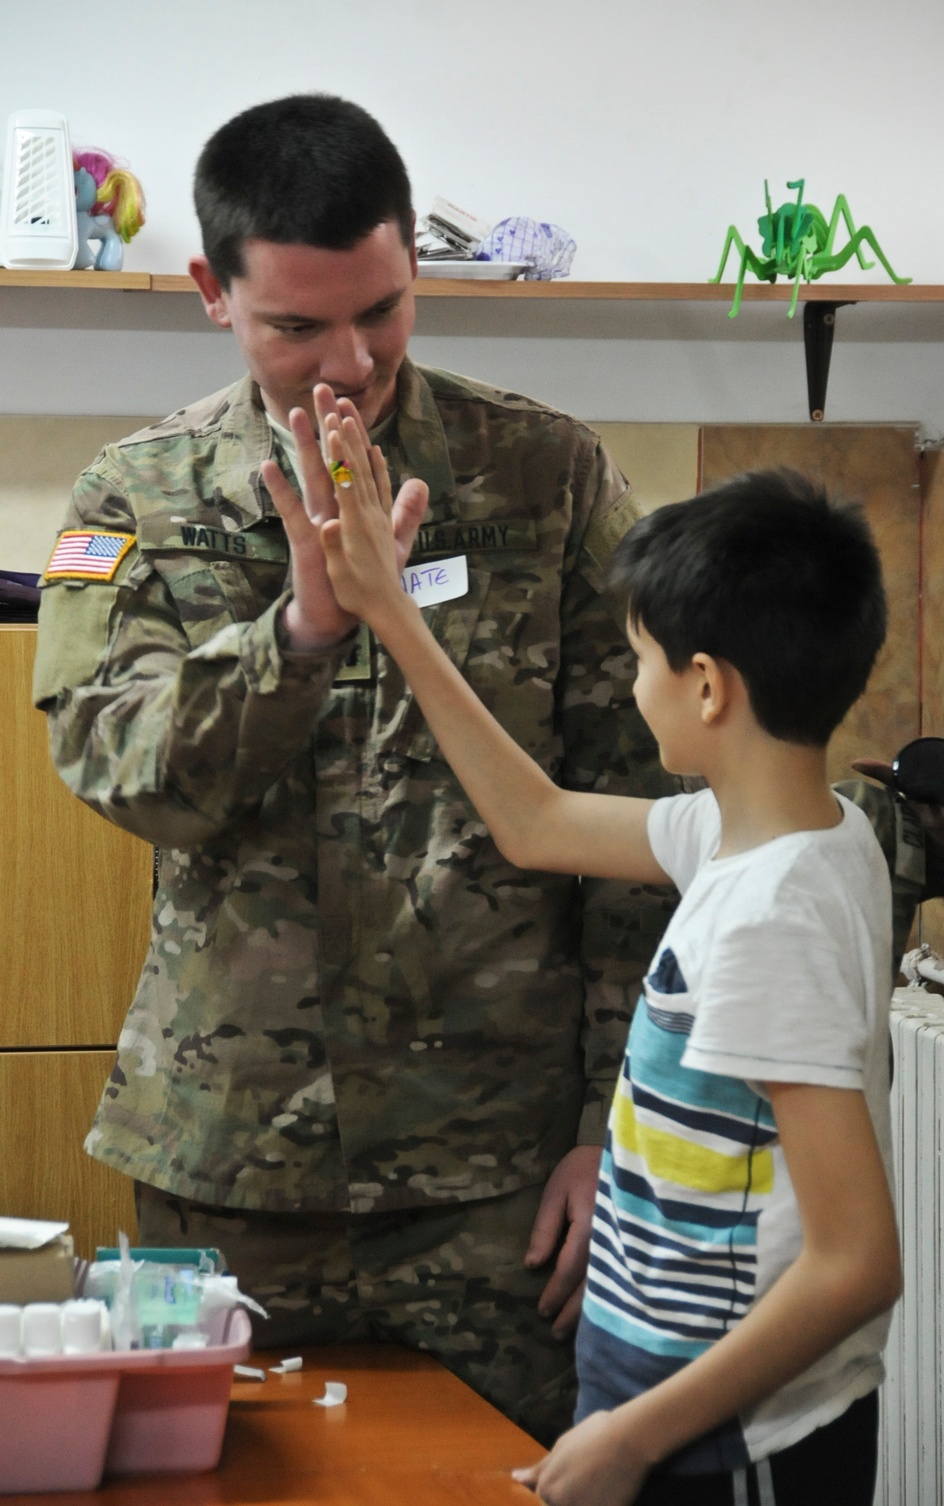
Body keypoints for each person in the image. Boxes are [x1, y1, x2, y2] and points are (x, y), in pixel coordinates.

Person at [31, 93, 677, 1442]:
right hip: (229, 1171)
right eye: (297, 326)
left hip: (498, 1181)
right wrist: (304, 631)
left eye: (382, 310)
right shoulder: (135, 499)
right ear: (213, 292)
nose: (351, 362)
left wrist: (608, 1123)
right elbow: (120, 764)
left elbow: (647, 826)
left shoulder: (544, 478)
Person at [300, 424, 900, 1505]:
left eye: (638, 662)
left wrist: (635, 1436)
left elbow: (856, 1262)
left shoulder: (772, 918)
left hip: (731, 1443)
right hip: (676, 1410)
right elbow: (533, 821)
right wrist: (389, 610)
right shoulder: (778, 835)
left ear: (707, 688)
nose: (631, 689)